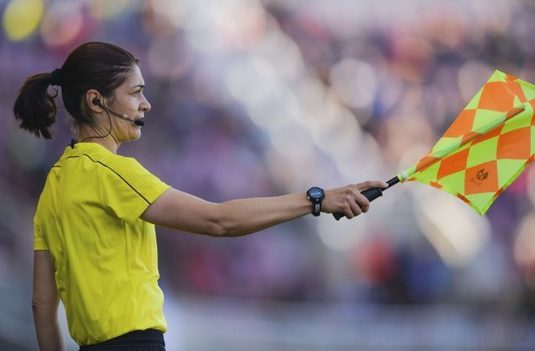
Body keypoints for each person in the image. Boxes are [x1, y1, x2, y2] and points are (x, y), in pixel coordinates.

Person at [13, 41, 387, 351]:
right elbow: (218, 221)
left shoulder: (55, 183)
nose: (146, 105)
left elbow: (42, 305)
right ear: (96, 102)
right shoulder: (113, 172)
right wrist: (316, 199)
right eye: (135, 93)